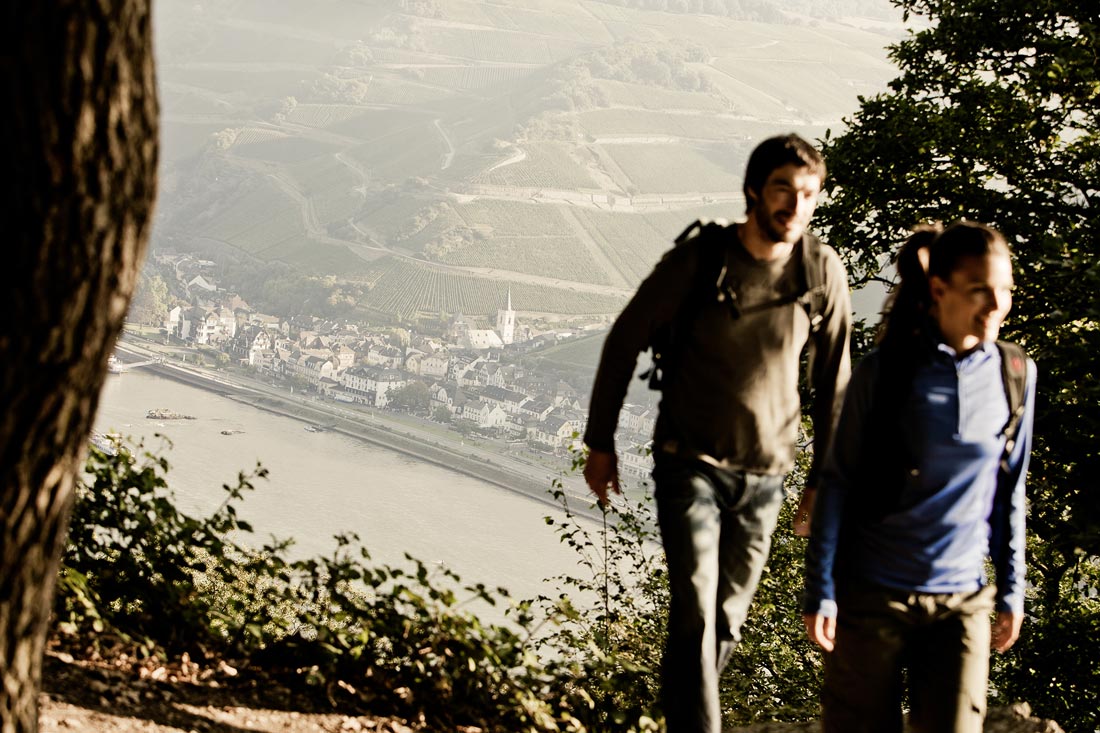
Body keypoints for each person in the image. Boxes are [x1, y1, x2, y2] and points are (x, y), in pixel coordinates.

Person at [583, 133, 852, 733]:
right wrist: (600, 442)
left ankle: (680, 720)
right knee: (698, 612)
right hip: (689, 465)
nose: (796, 205)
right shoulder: (701, 260)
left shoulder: (820, 272)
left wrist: (823, 484)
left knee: (724, 621)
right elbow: (624, 340)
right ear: (753, 191)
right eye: (783, 189)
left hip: (767, 477)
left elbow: (835, 386)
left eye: (809, 194)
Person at [803, 221, 1036, 733]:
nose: (995, 305)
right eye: (979, 290)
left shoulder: (1015, 373)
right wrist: (820, 588)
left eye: (1005, 290)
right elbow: (837, 483)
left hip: (961, 601)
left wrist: (1012, 590)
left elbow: (1009, 492)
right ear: (939, 289)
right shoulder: (882, 373)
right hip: (871, 596)